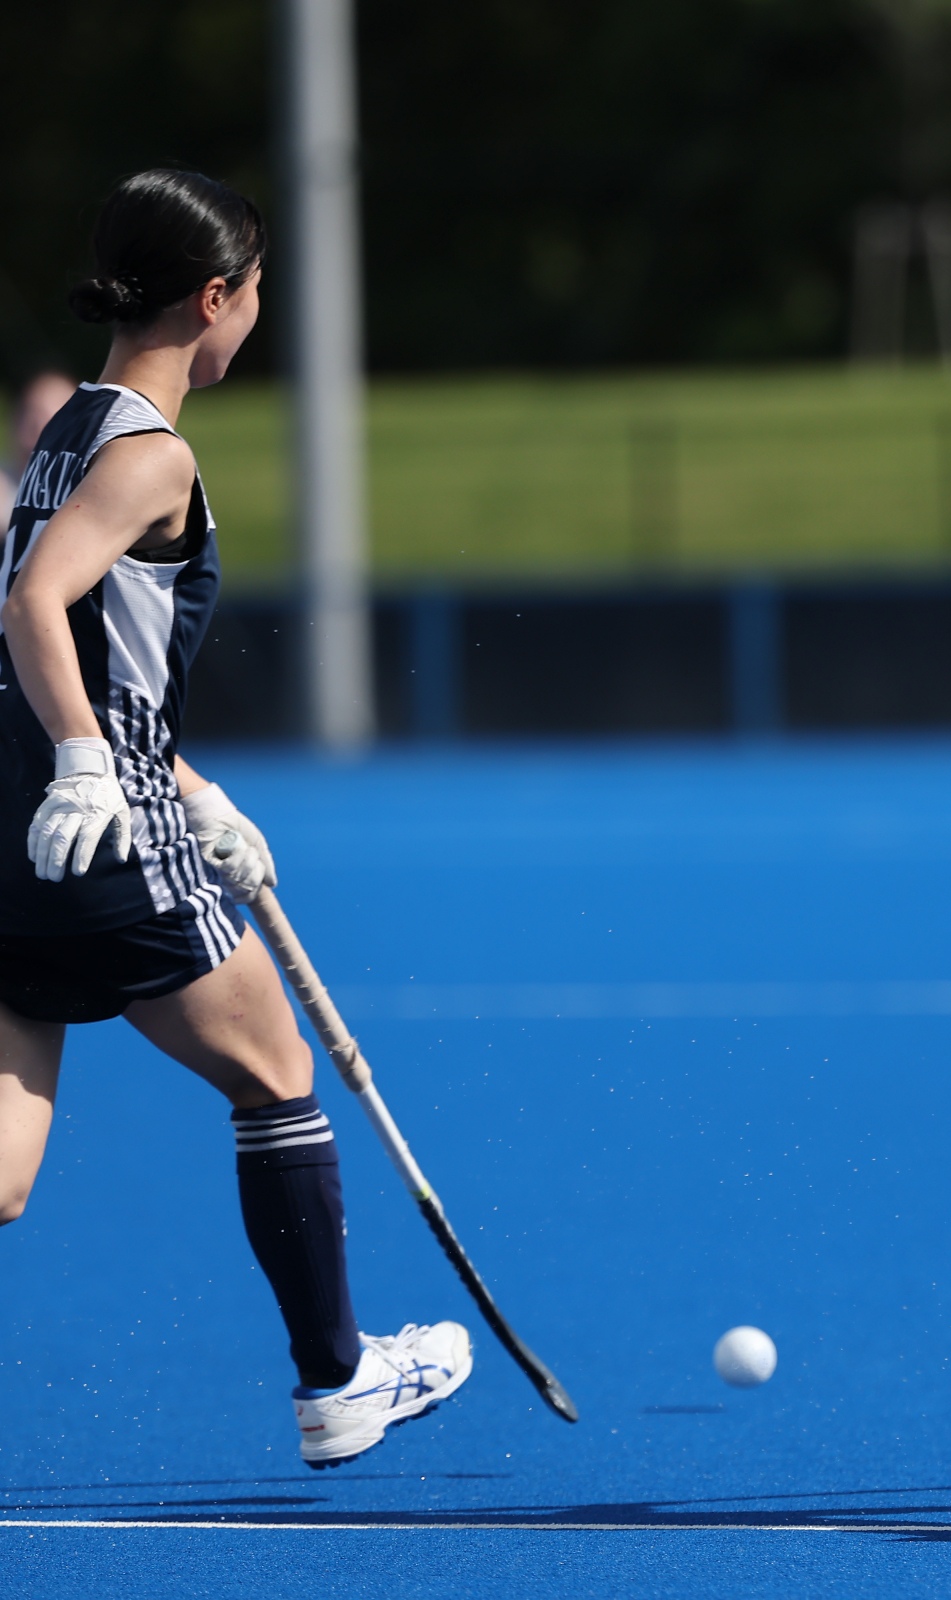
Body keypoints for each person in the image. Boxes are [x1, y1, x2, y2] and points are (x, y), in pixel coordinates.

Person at [0, 170, 471, 1467]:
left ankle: (340, 1375)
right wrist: (98, 768)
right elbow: (32, 606)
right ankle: (338, 1383)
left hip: (17, 840)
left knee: (4, 1176)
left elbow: (99, 654)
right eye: (257, 291)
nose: (257, 314)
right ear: (216, 299)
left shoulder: (66, 429)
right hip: (102, 835)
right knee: (277, 1076)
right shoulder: (154, 454)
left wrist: (196, 790)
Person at [1, 370, 78, 512]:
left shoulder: (88, 490)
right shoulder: (4, 486)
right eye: (30, 416)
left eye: (50, 420)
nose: (39, 429)